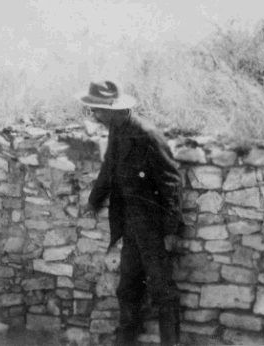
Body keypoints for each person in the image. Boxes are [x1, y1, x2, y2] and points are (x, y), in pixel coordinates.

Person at [75, 80, 183, 346]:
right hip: (131, 224)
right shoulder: (116, 129)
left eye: (98, 110)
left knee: (162, 291)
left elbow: (171, 182)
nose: (95, 116)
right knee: (127, 288)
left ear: (114, 109)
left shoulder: (146, 134)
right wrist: (94, 200)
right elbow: (109, 166)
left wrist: (171, 230)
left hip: (153, 225)